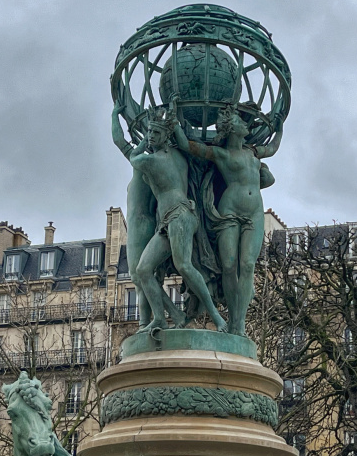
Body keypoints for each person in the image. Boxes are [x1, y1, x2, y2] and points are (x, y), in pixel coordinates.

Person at [171, 103, 283, 335]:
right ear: (231, 126)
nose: (246, 125)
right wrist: (174, 122)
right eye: (242, 121)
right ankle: (232, 317)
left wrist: (279, 126)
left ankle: (238, 323)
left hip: (253, 212)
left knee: (248, 265)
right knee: (230, 266)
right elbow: (186, 146)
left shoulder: (252, 152)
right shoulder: (220, 154)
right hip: (229, 211)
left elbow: (272, 148)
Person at [129, 106, 227, 334]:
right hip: (169, 221)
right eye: (149, 133)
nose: (151, 138)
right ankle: (168, 317)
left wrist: (143, 139)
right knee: (143, 270)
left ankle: (217, 318)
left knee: (184, 265)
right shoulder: (179, 156)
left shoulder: (153, 161)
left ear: (165, 136)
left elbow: (134, 157)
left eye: (155, 134)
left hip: (180, 215)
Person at [111, 101, 186, 329]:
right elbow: (118, 140)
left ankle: (161, 317)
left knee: (139, 275)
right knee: (143, 276)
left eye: (154, 133)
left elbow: (121, 143)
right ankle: (148, 321)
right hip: (143, 225)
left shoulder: (146, 165)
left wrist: (118, 113)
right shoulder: (148, 164)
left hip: (142, 225)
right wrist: (116, 112)